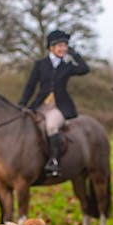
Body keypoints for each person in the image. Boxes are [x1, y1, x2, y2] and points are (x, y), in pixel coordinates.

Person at [18, 30, 90, 177]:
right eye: (60, 46)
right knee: (24, 127)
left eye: (65, 46)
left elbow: (84, 69)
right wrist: (22, 104)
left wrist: (74, 54)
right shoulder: (40, 64)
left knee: (51, 126)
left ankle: (54, 161)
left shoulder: (67, 66)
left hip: (58, 108)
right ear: (51, 48)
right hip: (39, 106)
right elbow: (31, 86)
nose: (63, 49)